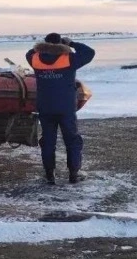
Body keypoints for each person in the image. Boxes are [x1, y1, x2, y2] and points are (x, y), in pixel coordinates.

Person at [26, 33, 95, 185]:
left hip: (46, 108)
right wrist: (71, 44)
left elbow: (30, 52)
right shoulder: (69, 59)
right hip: (66, 109)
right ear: (60, 44)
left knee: (48, 142)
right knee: (72, 141)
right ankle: (73, 174)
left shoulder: (35, 59)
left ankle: (50, 175)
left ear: (45, 43)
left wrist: (43, 47)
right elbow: (89, 52)